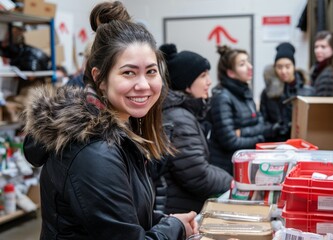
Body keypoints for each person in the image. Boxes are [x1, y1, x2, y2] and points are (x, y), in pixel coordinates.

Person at [21, 1, 198, 239]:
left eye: (151, 71)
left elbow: (125, 213)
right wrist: (175, 229)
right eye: (128, 72)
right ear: (100, 78)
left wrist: (167, 221)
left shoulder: (121, 129)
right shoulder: (94, 150)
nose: (143, 85)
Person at [153, 43, 233, 214]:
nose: (209, 81)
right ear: (186, 84)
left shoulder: (182, 113)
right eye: (203, 76)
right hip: (178, 210)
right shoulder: (179, 118)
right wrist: (233, 182)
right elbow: (198, 176)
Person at [208, 45, 277, 175]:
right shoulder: (222, 97)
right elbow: (230, 141)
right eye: (242, 64)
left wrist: (242, 131)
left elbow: (260, 123)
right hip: (227, 168)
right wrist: (261, 139)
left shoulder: (245, 93)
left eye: (248, 62)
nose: (250, 67)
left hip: (244, 164)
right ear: (230, 73)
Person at [260, 42, 314, 142]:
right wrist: (275, 128)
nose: (283, 71)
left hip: (301, 144)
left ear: (294, 67)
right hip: (275, 144)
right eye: (279, 67)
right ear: (274, 68)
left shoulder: (307, 91)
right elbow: (262, 123)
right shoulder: (267, 93)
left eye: (287, 66)